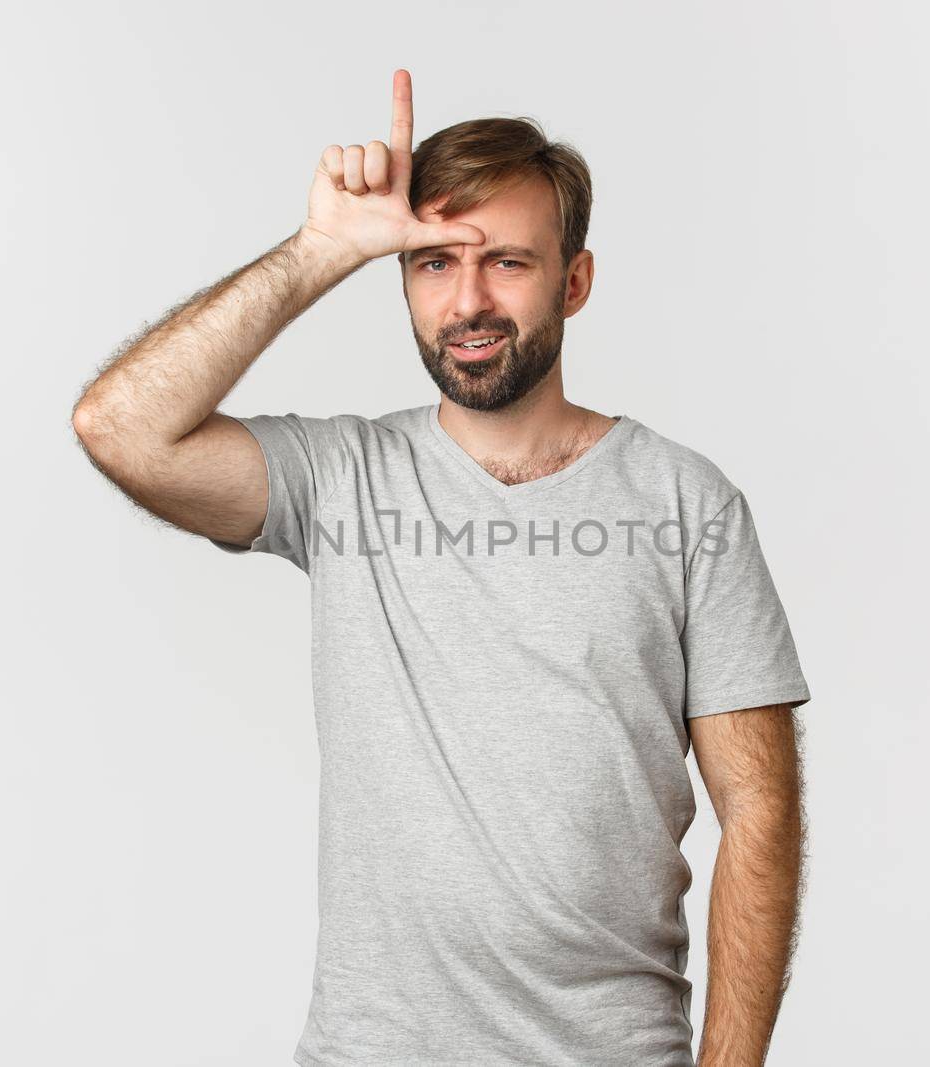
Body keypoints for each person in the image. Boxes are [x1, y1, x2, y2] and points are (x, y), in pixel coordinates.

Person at [72, 68, 813, 1067]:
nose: (467, 300)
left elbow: (759, 811)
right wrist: (319, 250)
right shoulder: (342, 478)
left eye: (507, 261)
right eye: (430, 264)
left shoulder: (686, 502)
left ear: (574, 280)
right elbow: (119, 428)